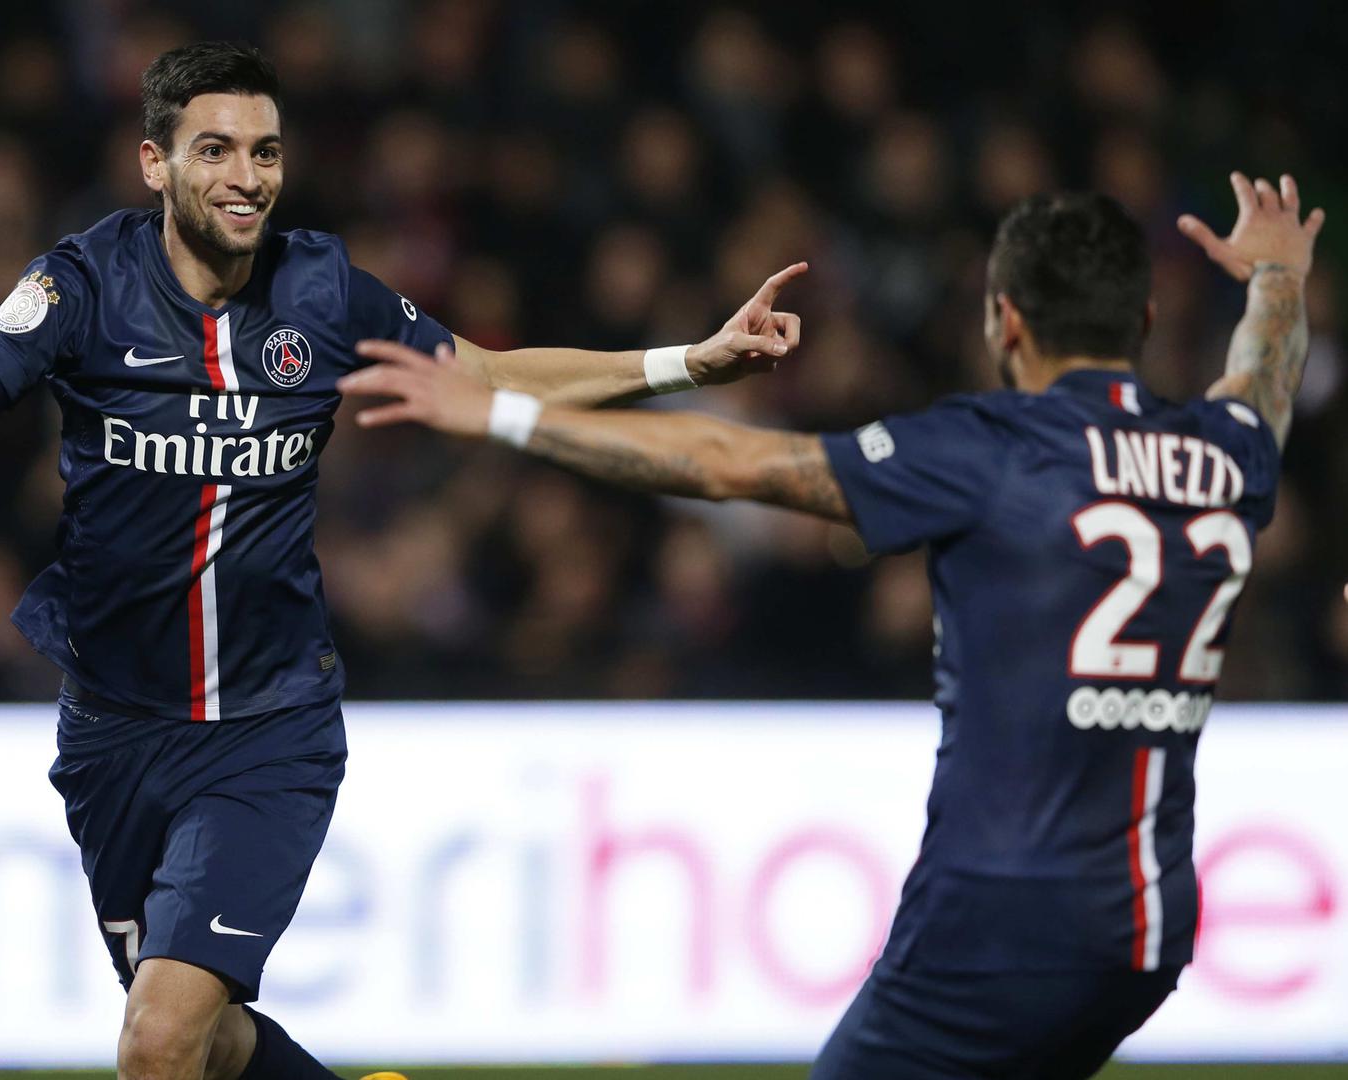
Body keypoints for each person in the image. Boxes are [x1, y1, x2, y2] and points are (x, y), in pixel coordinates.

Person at [0, 41, 805, 1080]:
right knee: (203, 1043)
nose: (246, 177)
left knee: (156, 1041)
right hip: (113, 732)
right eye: (214, 150)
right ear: (153, 163)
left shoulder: (322, 289)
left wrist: (688, 361)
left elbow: (487, 375)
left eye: (264, 151)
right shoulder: (78, 286)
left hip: (267, 728)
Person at [338, 174, 1323, 1078]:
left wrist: (501, 415)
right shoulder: (1221, 453)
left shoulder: (989, 451)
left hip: (996, 920)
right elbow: (1262, 380)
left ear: (1004, 319)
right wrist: (1277, 276)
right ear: (1143, 318)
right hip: (1147, 928)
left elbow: (729, 465)